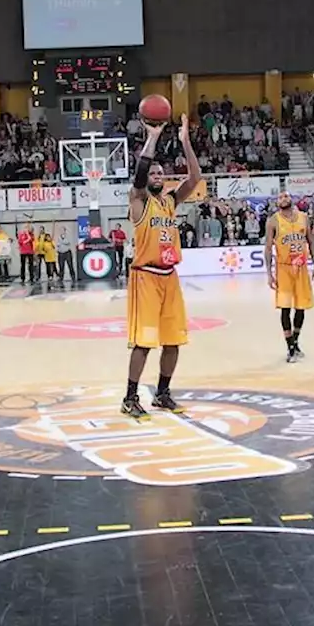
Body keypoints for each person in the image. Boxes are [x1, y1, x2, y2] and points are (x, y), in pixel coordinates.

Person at [123, 112, 202, 419]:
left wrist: (185, 142)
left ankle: (162, 393)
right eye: (153, 173)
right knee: (143, 343)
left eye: (160, 173)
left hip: (169, 277)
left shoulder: (170, 202)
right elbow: (140, 175)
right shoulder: (138, 199)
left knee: (173, 341)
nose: (157, 175)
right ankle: (130, 397)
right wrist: (153, 136)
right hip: (145, 277)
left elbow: (194, 179)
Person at [264, 191, 314, 363]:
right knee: (285, 308)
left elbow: (311, 243)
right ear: (276, 202)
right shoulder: (273, 221)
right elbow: (268, 248)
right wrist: (269, 273)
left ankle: (295, 342)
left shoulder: (303, 217)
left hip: (301, 268)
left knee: (301, 307)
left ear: (291, 199)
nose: (283, 199)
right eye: (280, 197)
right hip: (284, 269)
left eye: (286, 196)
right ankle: (290, 347)